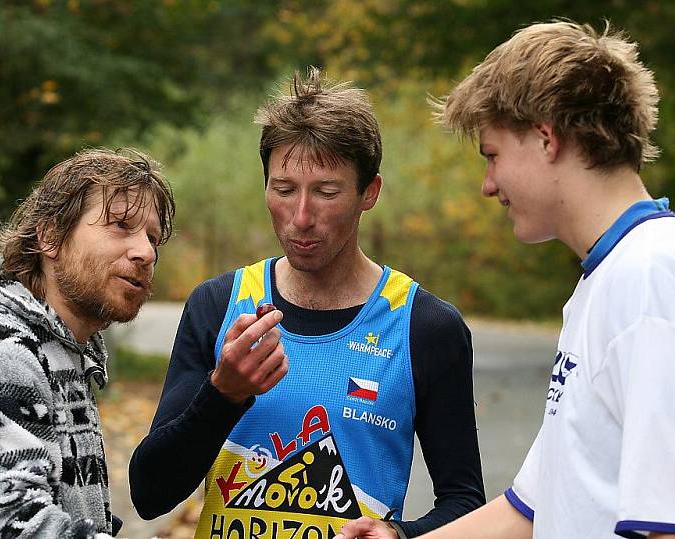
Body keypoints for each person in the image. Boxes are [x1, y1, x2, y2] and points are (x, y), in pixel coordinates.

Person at [386, 20, 675, 539]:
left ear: (546, 137)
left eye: (492, 155)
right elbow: (531, 510)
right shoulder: (609, 278)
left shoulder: (654, 282)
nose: (488, 185)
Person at [129, 67, 485, 538]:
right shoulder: (218, 305)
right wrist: (223, 393)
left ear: (369, 193)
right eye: (283, 190)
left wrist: (401, 535)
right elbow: (150, 495)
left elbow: (465, 503)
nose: (301, 217)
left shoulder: (425, 326)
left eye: (326, 192)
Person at [0, 148, 175, 538]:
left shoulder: (60, 352)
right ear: (50, 237)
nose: (146, 252)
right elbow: (6, 526)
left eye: (152, 238)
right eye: (121, 225)